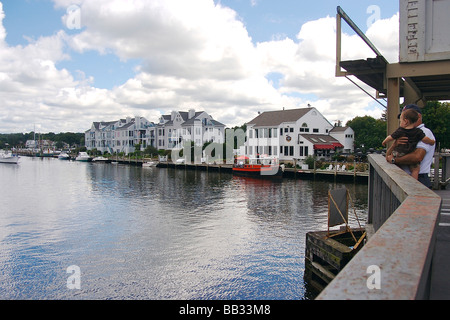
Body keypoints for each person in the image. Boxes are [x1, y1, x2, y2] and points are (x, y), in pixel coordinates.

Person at [386, 104, 436, 188]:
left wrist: (394, 160)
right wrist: (394, 144)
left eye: (408, 117)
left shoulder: (424, 132)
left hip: (419, 179)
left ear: (418, 116)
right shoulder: (405, 133)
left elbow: (417, 157)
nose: (405, 121)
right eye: (403, 118)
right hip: (406, 178)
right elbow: (387, 156)